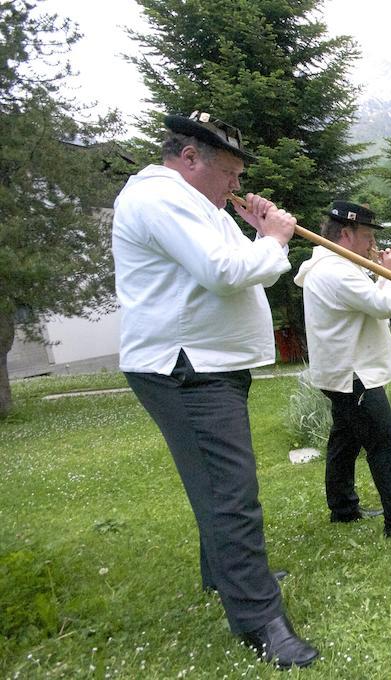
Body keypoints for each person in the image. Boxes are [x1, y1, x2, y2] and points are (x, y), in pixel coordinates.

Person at [112, 111, 318, 668]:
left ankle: (224, 573)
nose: (235, 185)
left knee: (217, 483)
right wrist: (274, 238)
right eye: (228, 173)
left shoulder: (200, 205)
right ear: (188, 159)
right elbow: (224, 272)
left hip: (209, 364)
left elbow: (235, 263)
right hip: (185, 367)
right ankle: (259, 618)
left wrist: (257, 232)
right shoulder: (159, 198)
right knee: (231, 491)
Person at [294, 200, 391, 541]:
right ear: (345, 234)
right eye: (365, 237)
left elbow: (368, 297)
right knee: (384, 441)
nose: (372, 246)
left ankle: (343, 507)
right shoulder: (336, 270)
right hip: (354, 373)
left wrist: (382, 271)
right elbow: (384, 305)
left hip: (342, 370)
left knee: (344, 439)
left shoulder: (334, 263)